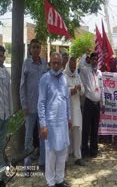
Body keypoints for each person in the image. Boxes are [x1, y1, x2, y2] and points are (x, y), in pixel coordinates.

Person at [38, 52, 71, 187]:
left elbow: (67, 99)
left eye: (58, 63)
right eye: (54, 63)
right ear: (50, 64)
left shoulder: (64, 79)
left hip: (63, 122)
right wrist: (43, 125)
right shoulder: (44, 79)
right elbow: (41, 103)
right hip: (50, 123)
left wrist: (69, 117)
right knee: (51, 154)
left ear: (62, 64)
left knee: (62, 152)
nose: (56, 65)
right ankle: (50, 182)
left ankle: (60, 180)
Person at [20, 39, 47, 169]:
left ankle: (42, 162)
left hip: (42, 107)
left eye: (38, 47)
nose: (36, 49)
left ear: (40, 49)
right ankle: (27, 165)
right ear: (30, 49)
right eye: (33, 47)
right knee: (28, 137)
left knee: (42, 135)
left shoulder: (44, 64)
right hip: (29, 107)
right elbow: (22, 86)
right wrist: (24, 105)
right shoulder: (26, 64)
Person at [79, 52, 102, 158]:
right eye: (92, 59)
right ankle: (84, 151)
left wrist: (103, 103)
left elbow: (102, 88)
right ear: (90, 60)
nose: (94, 61)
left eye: (96, 59)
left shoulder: (100, 73)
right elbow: (80, 65)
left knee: (95, 128)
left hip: (97, 104)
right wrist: (85, 55)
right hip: (88, 102)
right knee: (86, 128)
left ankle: (94, 150)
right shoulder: (86, 70)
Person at [64, 57, 85, 166]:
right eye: (71, 66)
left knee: (78, 133)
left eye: (74, 66)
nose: (73, 68)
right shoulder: (63, 76)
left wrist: (80, 88)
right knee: (66, 134)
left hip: (76, 109)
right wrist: (71, 90)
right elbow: (62, 92)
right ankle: (65, 159)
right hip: (67, 110)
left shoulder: (77, 75)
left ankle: (78, 157)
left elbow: (83, 91)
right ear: (68, 65)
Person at [0, 46, 12, 167]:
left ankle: (2, 171)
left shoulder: (6, 73)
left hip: (5, 115)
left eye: (2, 56)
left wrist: (10, 112)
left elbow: (9, 94)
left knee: (2, 145)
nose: (1, 58)